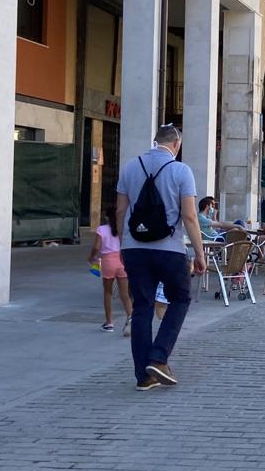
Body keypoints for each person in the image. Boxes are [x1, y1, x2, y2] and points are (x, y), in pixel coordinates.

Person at [116, 124, 206, 391]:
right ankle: (159, 357)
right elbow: (189, 216)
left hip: (135, 248)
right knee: (180, 298)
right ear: (176, 144)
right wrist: (199, 253)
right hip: (169, 249)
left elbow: (120, 211)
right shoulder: (181, 170)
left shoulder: (130, 167)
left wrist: (124, 246)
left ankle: (143, 377)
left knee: (141, 307)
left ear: (155, 141)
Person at [88, 206, 133, 335]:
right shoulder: (123, 229)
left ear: (106, 217)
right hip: (122, 260)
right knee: (125, 294)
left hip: (108, 261)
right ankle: (130, 318)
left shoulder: (101, 229)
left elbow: (96, 247)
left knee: (108, 293)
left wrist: (92, 257)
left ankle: (109, 323)